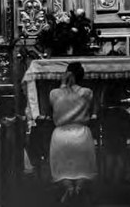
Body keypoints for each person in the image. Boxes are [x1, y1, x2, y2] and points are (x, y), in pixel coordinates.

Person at [49, 62, 97, 204]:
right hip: (81, 134)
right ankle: (79, 187)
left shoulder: (54, 93)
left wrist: (63, 86)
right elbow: (92, 111)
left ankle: (68, 188)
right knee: (83, 167)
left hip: (60, 136)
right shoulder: (87, 92)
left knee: (62, 167)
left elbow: (52, 109)